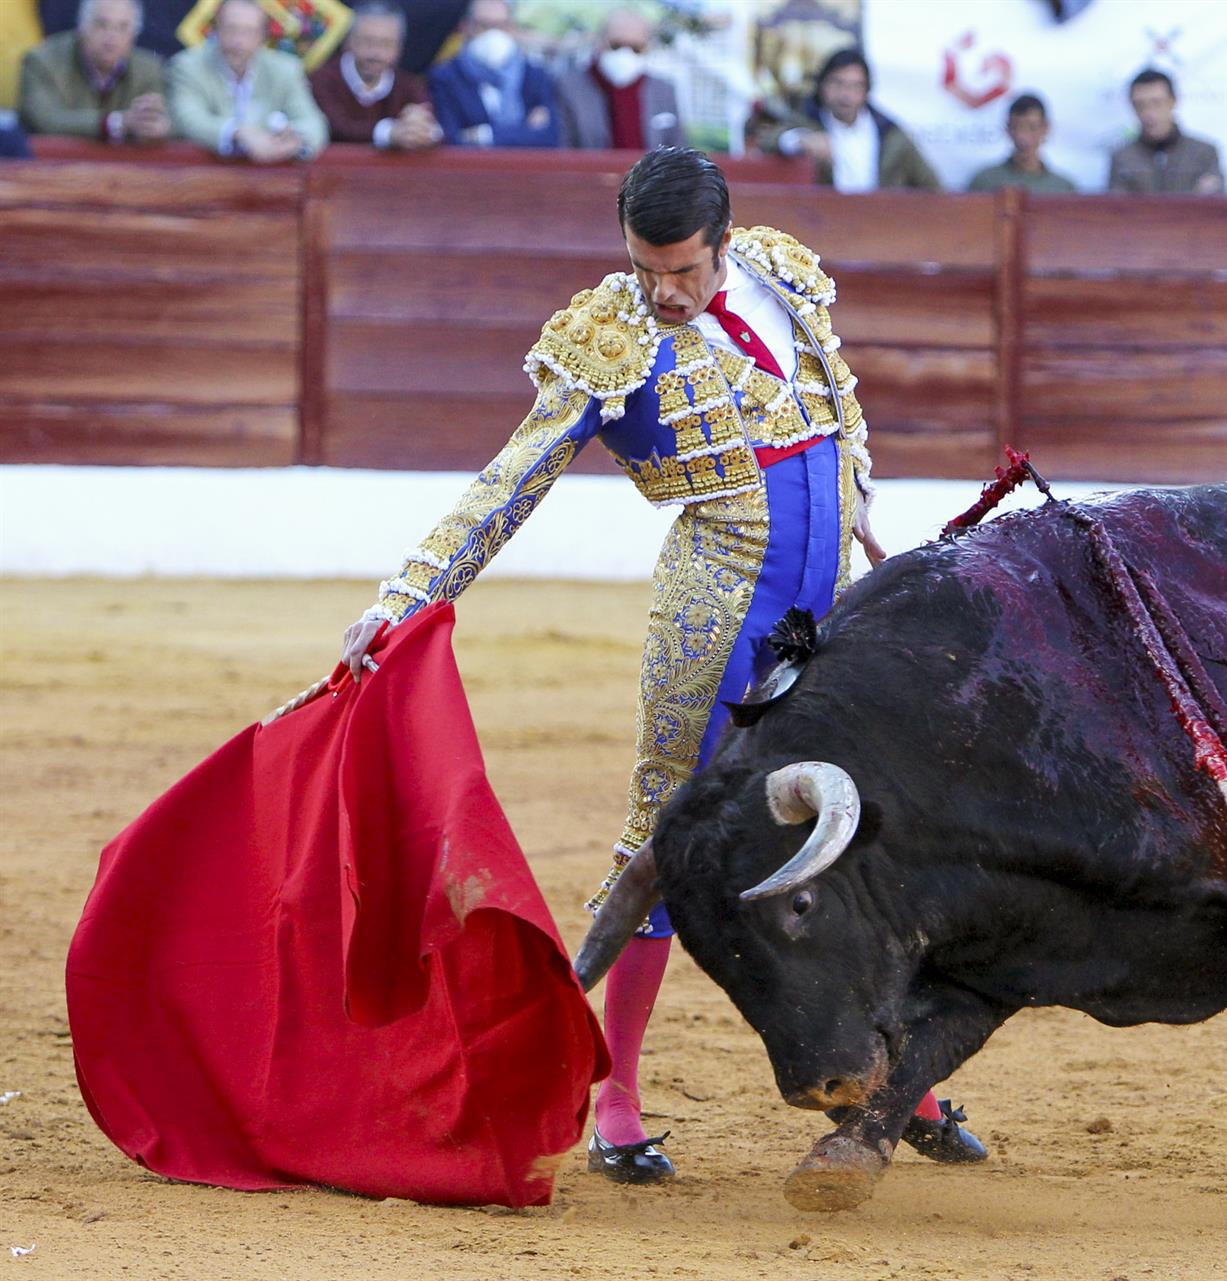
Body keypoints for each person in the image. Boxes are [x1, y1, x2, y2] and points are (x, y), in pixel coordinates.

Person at [336, 147, 988, 1185]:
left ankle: (901, 1075)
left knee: (864, 834)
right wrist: (407, 597)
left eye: (683, 270)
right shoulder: (610, 336)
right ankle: (616, 1096)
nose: (663, 291)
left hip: (830, 616)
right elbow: (510, 483)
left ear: (725, 244)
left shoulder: (783, 276)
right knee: (667, 844)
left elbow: (837, 406)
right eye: (645, 267)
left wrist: (864, 513)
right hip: (718, 612)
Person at [167, 0, 327, 163]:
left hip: (270, 179)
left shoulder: (285, 69)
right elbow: (188, 119)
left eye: (248, 32)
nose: (238, 41)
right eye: (231, 29)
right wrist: (238, 133)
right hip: (206, 178)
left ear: (262, 37)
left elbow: (313, 123)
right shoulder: (188, 65)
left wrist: (294, 141)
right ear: (215, 30)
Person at [769, 48, 940, 191]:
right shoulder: (807, 120)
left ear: (866, 91)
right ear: (822, 85)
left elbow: (932, 187)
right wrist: (800, 140)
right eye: (837, 83)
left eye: (855, 86)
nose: (846, 94)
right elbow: (768, 139)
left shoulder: (890, 133)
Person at [19, 0, 170, 144]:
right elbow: (45, 120)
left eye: (122, 27)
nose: (111, 36)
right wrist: (115, 123)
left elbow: (171, 121)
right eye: (102, 25)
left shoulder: (150, 69)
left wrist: (157, 128)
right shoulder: (43, 61)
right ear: (82, 27)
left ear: (134, 35)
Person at [308, 0, 440, 152]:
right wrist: (390, 133)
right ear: (349, 42)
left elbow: (434, 128)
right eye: (368, 42)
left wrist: (422, 128)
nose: (376, 53)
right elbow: (336, 127)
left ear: (399, 48)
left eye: (386, 44)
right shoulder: (322, 79)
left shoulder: (409, 85)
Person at [428, 0, 561, 148]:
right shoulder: (445, 77)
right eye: (483, 26)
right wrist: (525, 132)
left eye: (500, 26)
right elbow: (452, 140)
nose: (493, 34)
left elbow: (550, 138)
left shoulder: (535, 75)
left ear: (512, 28)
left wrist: (484, 135)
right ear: (466, 27)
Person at [553, 6, 686, 151]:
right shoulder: (569, 86)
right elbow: (563, 147)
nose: (625, 54)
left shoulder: (663, 90)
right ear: (599, 41)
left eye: (636, 48)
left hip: (650, 173)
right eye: (616, 45)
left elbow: (678, 151)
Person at [1108, 68, 1224, 194]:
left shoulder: (1204, 153)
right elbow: (1117, 209)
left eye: (1156, 103)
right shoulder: (1122, 156)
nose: (1148, 112)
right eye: (1140, 104)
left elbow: (1216, 206)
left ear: (1173, 101)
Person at [965, 93, 1075, 193]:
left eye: (1032, 128)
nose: (1023, 137)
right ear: (1007, 129)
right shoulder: (985, 182)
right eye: (1016, 127)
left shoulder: (1063, 189)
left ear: (1045, 128)